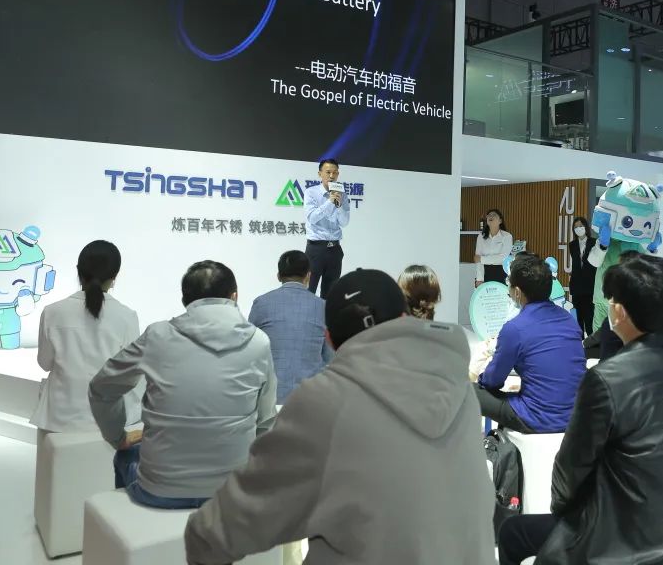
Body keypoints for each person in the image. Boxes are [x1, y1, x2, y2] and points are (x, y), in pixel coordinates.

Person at [184, 269, 495, 565]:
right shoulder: (458, 388)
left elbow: (222, 530)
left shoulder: (325, 402)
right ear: (404, 320)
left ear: (329, 339)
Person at [497, 254, 663, 565]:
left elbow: (570, 472)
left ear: (619, 312)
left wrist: (570, 519)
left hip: (630, 545)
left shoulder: (607, 379)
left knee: (513, 533)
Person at [89, 261, 278, 508]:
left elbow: (102, 386)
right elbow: (265, 421)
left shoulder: (157, 335)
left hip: (159, 491)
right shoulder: (259, 342)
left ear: (184, 300)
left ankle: (133, 525)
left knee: (125, 455)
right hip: (232, 492)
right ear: (235, 296)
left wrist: (117, 437)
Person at [31, 241, 141, 434]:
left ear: (78, 271)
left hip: (58, 418)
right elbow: (131, 375)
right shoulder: (127, 316)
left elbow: (44, 363)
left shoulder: (52, 312)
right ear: (115, 276)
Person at [477, 255, 586, 433]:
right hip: (576, 417)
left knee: (471, 391)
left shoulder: (514, 328)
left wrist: (481, 377)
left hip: (538, 418)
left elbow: (492, 381)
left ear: (517, 292)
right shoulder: (569, 320)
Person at [248, 250, 333, 406]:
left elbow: (250, 353)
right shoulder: (323, 307)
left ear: (278, 276)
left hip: (268, 400)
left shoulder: (261, 303)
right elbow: (330, 357)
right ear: (308, 276)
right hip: (310, 400)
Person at [304, 158, 351, 297]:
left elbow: (344, 222)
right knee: (309, 290)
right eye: (328, 172)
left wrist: (339, 205)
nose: (331, 176)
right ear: (320, 174)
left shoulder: (342, 195)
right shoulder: (311, 192)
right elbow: (312, 218)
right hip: (316, 249)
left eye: (335, 173)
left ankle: (326, 312)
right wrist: (330, 202)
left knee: (330, 293)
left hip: (335, 250)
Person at [567, 217, 596, 336]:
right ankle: (579, 342)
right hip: (577, 286)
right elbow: (576, 264)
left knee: (589, 318)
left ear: (585, 227)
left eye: (580, 226)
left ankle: (591, 342)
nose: (578, 228)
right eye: (575, 227)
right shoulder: (572, 245)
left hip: (590, 286)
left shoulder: (594, 242)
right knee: (578, 319)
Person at [474, 208, 512, 286]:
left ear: (500, 221)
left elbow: (503, 258)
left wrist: (482, 259)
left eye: (494, 215)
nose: (491, 216)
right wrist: (479, 279)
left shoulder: (507, 236)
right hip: (485, 273)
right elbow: (477, 260)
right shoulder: (481, 236)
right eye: (489, 215)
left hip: (502, 273)